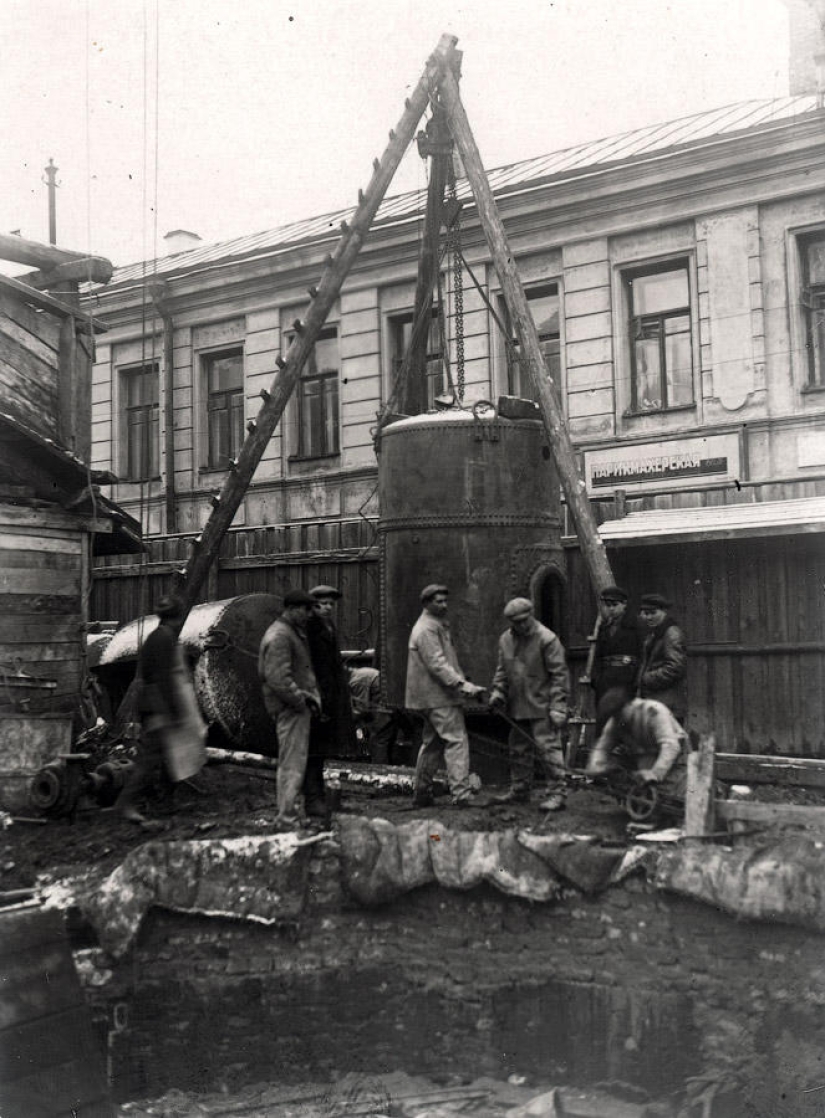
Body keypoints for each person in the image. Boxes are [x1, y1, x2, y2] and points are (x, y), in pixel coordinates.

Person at [118, 594, 206, 826]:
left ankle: (166, 801)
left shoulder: (159, 637)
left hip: (158, 705)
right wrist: (174, 712)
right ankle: (126, 803)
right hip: (158, 708)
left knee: (170, 756)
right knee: (151, 758)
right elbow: (163, 679)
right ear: (176, 618)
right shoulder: (163, 639)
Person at [404, 583, 486, 807]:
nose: (443, 605)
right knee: (457, 741)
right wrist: (464, 686)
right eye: (438, 601)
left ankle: (422, 793)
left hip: (431, 698)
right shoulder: (427, 629)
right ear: (426, 604)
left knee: (432, 744)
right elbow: (438, 665)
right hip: (439, 698)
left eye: (445, 601)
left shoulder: (433, 625)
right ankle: (461, 795)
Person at [487, 597, 570, 812]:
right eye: (516, 622)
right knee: (518, 750)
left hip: (543, 706)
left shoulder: (547, 639)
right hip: (517, 705)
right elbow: (502, 670)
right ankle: (520, 790)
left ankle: (557, 793)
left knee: (548, 750)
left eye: (524, 620)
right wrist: (498, 691)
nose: (522, 625)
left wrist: (558, 707)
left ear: (531, 615)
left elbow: (559, 676)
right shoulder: (506, 639)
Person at [258, 588, 321, 828]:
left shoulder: (289, 632)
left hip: (293, 708)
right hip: (290, 709)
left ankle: (290, 813)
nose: (309, 615)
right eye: (305, 610)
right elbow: (278, 679)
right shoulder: (281, 636)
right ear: (292, 609)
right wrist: (300, 700)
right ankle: (287, 817)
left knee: (294, 762)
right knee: (292, 764)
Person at [586, 686, 689, 814]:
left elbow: (671, 746)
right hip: (644, 760)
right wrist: (597, 766)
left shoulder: (654, 711)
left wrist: (655, 773)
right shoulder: (617, 720)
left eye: (619, 714)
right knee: (616, 767)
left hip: (675, 760)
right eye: (615, 716)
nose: (618, 718)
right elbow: (602, 747)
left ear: (630, 704)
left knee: (676, 798)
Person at [304, 585, 358, 818]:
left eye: (330, 604)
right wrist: (320, 699)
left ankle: (321, 797)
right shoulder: (311, 628)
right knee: (313, 751)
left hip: (331, 696)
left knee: (323, 751)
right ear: (312, 605)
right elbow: (314, 668)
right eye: (321, 604)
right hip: (318, 698)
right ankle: (313, 799)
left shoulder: (328, 626)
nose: (326, 608)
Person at [590, 585, 644, 732]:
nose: (611, 609)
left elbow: (643, 654)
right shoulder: (603, 627)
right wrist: (596, 679)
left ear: (624, 604)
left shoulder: (637, 624)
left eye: (615, 605)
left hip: (626, 681)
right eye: (608, 605)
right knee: (604, 720)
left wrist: (637, 681)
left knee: (625, 721)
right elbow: (597, 657)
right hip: (605, 682)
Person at [637, 592, 688, 724]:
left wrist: (646, 678)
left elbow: (675, 668)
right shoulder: (654, 634)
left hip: (668, 704)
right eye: (645, 613)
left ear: (664, 611)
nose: (648, 617)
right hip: (657, 702)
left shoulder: (671, 634)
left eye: (652, 613)